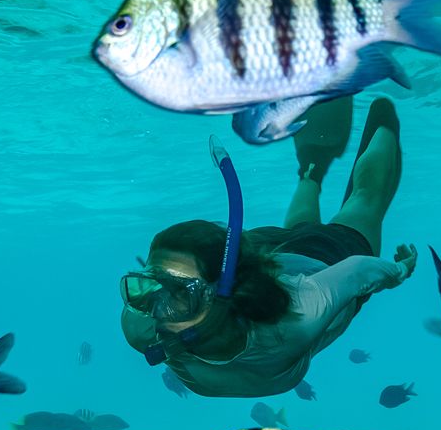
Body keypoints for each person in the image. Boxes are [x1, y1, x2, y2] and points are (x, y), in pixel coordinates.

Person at [120, 97, 416, 398]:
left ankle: (384, 117)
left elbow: (358, 270)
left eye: (179, 293)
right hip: (276, 262)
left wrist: (401, 269)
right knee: (297, 231)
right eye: (147, 287)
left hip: (325, 261)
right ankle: (310, 173)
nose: (157, 310)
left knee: (364, 200)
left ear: (220, 294)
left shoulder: (297, 318)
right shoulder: (144, 325)